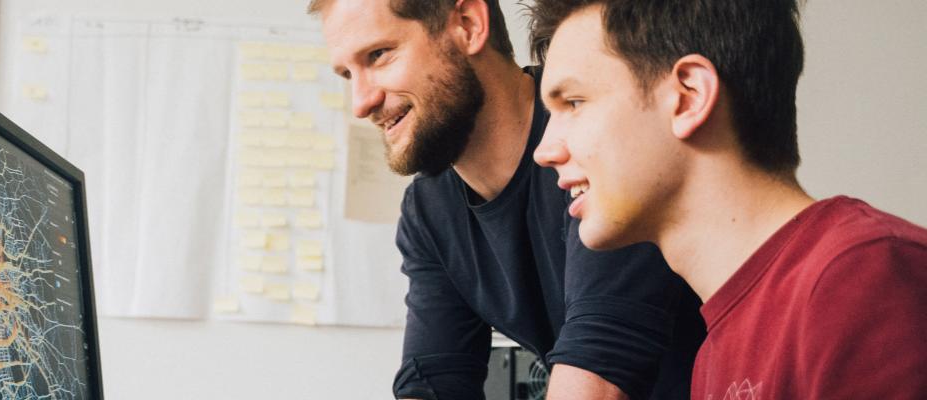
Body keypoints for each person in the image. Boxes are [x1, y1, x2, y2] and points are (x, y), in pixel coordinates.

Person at [528, 0, 927, 398]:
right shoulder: (715, 352)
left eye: (574, 104)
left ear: (689, 96)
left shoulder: (864, 277)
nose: (544, 151)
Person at [307, 0, 704, 398]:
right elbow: (435, 377)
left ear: (467, 24)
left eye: (378, 55)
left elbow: (600, 361)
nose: (361, 103)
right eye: (346, 74)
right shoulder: (429, 209)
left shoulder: (592, 140)